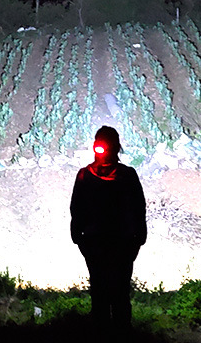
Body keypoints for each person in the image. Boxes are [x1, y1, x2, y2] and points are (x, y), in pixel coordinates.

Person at [70, 126, 147, 337]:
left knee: (118, 291)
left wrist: (139, 237)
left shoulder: (126, 175)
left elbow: (139, 207)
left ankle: (118, 333)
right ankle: (105, 332)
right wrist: (78, 236)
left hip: (118, 241)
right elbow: (76, 207)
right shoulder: (86, 175)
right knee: (101, 290)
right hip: (99, 241)